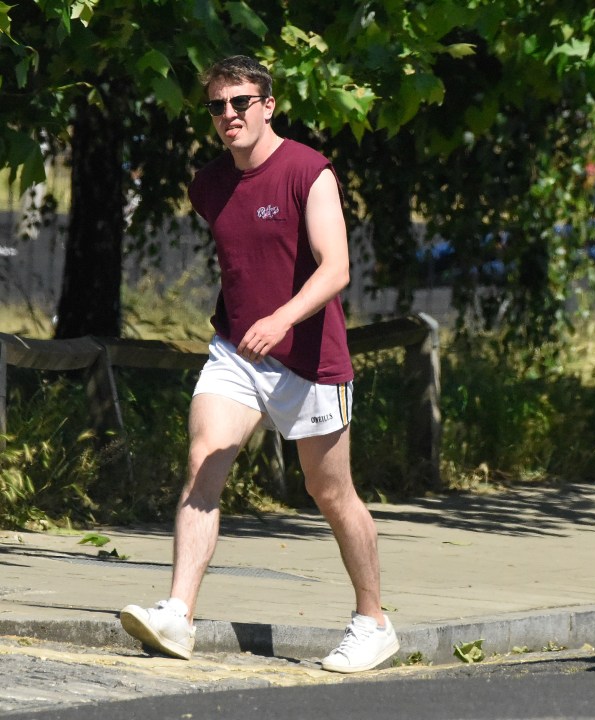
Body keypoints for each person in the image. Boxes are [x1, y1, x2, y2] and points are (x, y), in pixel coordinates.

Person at [119, 55, 399, 674]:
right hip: (237, 351)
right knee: (203, 463)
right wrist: (253, 326)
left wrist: (283, 318)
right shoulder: (209, 184)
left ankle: (373, 621)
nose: (228, 116)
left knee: (329, 492)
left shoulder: (308, 171)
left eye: (241, 102)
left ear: (268, 105)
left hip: (308, 357)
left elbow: (336, 268)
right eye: (217, 106)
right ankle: (178, 615)